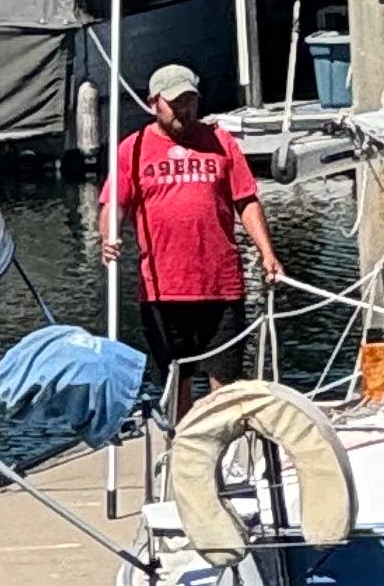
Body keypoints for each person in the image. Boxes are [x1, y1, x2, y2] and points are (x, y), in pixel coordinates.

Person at [99, 60, 279, 420]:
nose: (185, 109)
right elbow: (113, 203)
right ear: (155, 103)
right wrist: (109, 236)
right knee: (175, 378)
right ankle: (181, 451)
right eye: (176, 102)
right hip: (163, 290)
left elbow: (245, 199)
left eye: (190, 101)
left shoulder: (220, 142)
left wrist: (267, 253)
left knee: (224, 382)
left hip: (220, 285)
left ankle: (223, 454)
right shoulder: (132, 149)